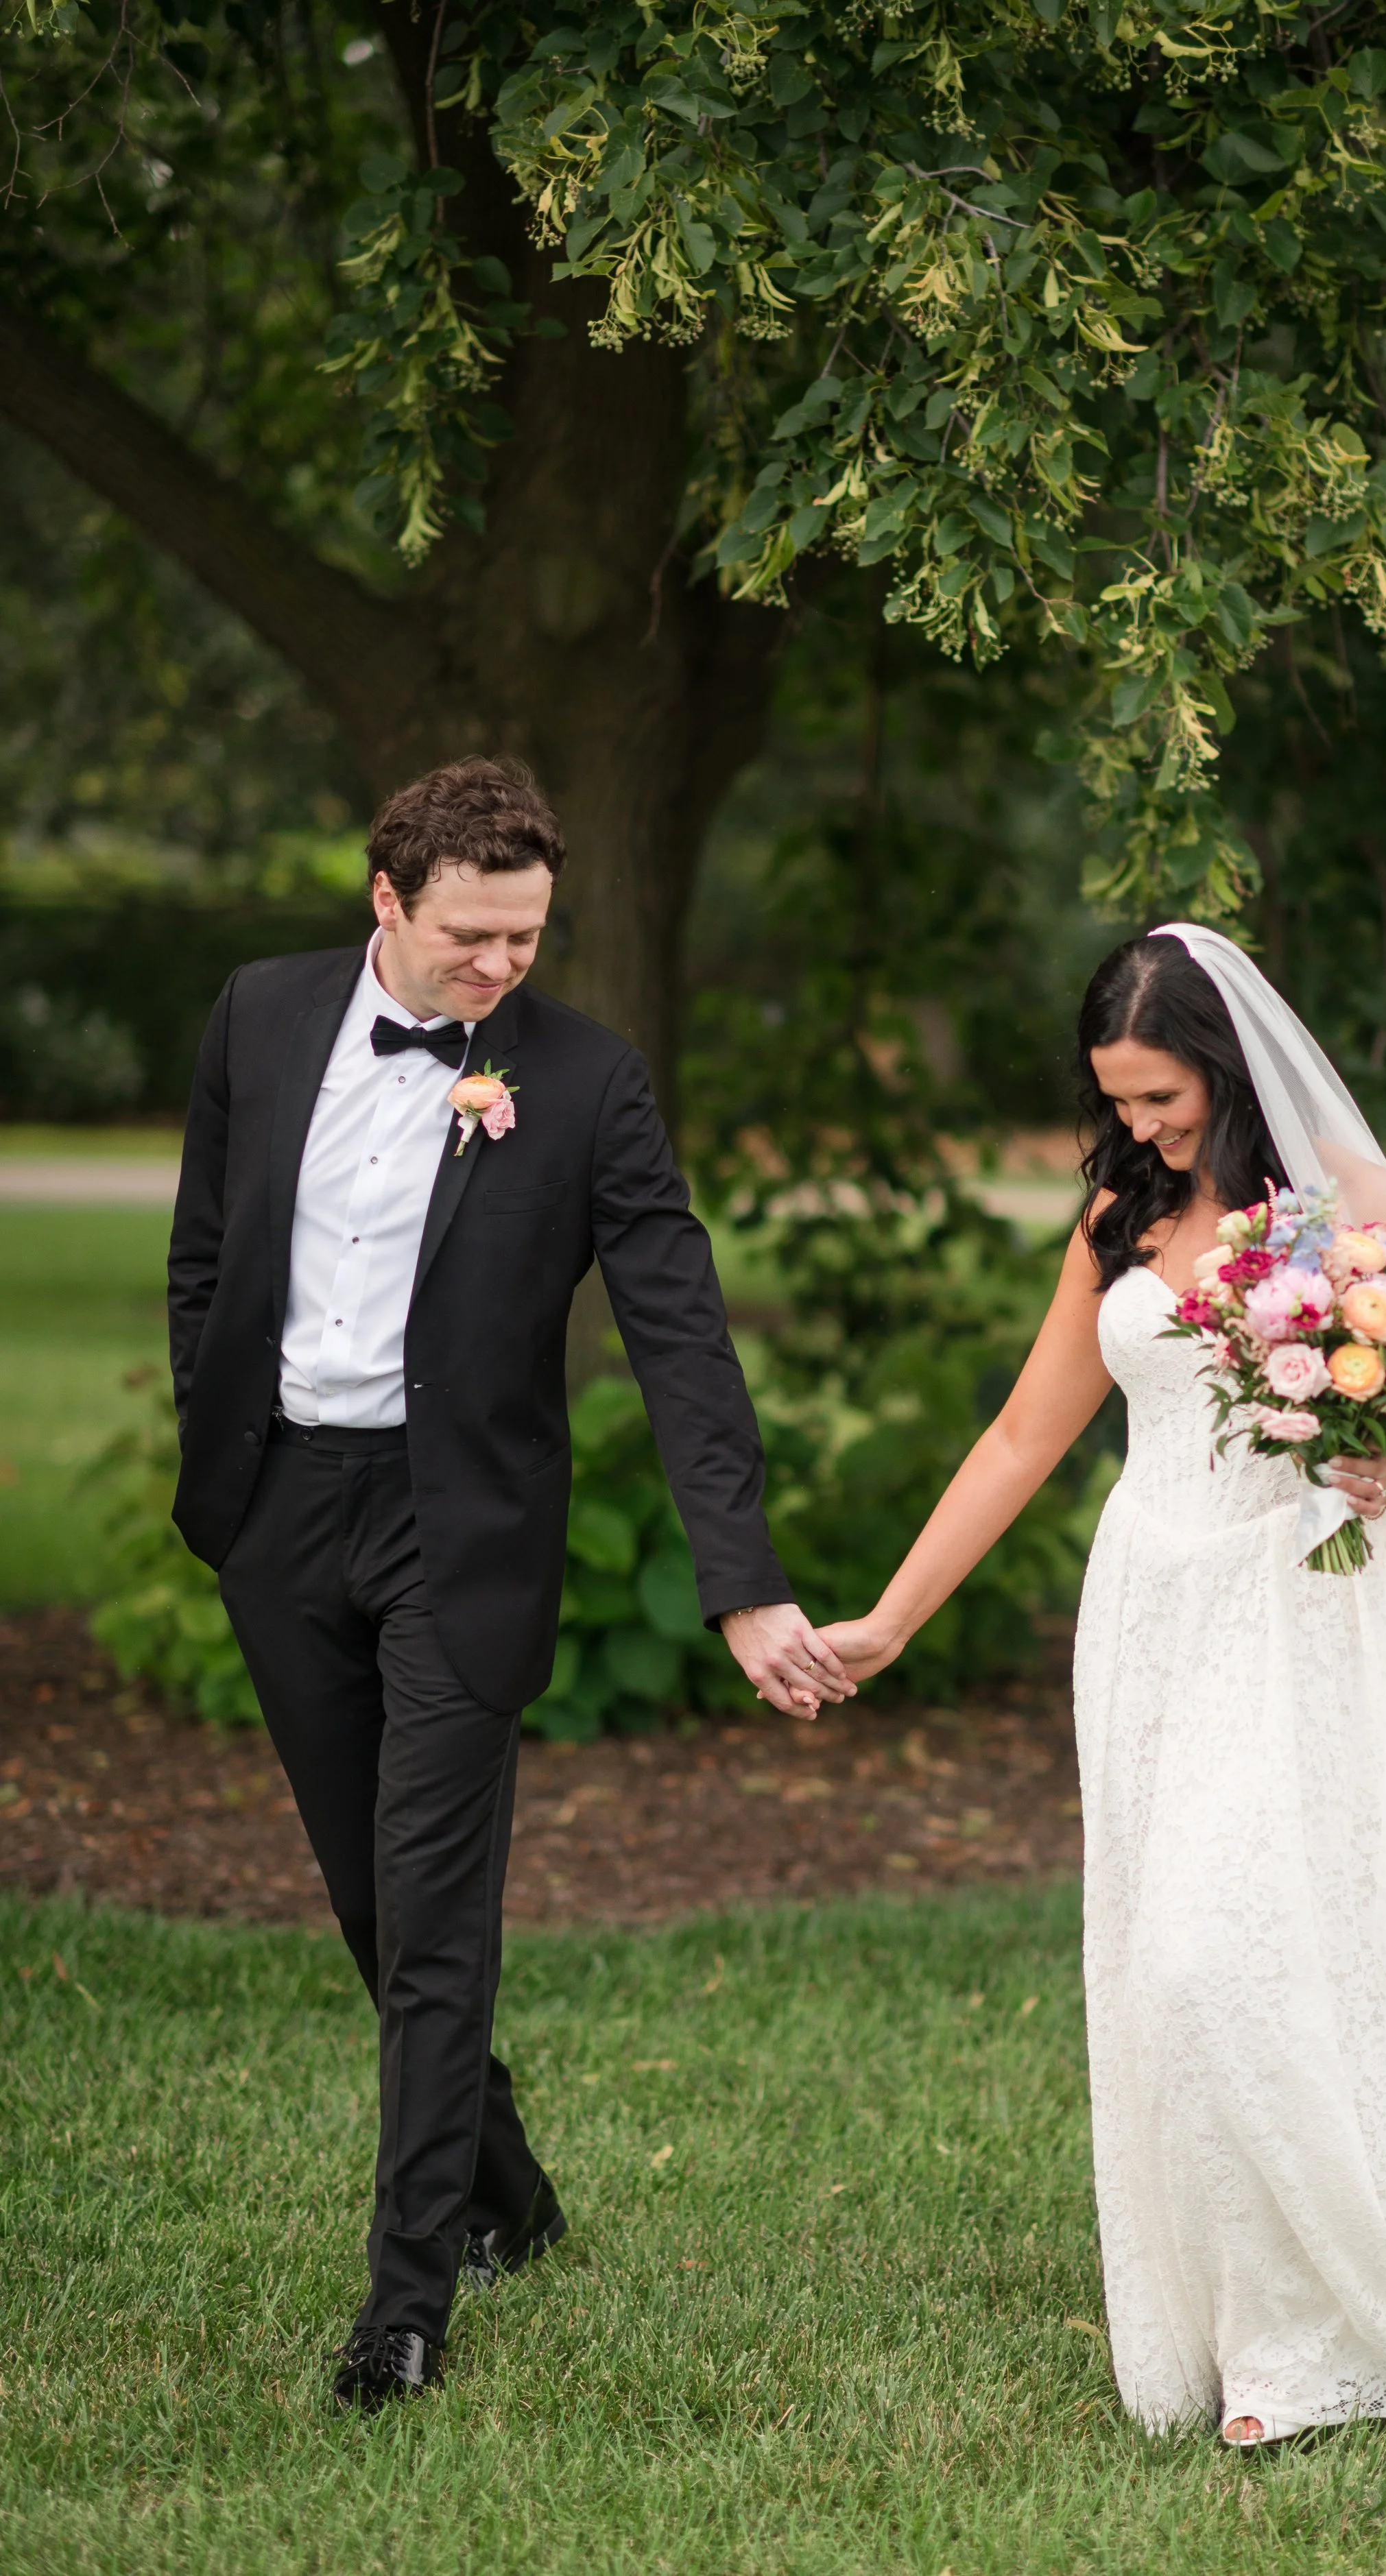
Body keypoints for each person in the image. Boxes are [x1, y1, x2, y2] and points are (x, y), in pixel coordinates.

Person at [819, 924, 1386, 2473]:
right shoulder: (1116, 1214)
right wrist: (894, 1618)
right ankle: (1268, 2314)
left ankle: (1334, 2337)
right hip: (1150, 1617)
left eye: (1162, 1095)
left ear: (1224, 1071)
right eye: (1118, 1097)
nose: (1143, 1124)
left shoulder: (1338, 1218)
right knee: (1184, 1962)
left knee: (1212, 1957)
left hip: (1300, 1610)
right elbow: (1028, 1433)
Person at [167, 757, 852, 2414]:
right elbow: (205, 1249)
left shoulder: (590, 1084)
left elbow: (681, 1336)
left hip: (452, 1535)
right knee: (368, 1906)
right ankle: (517, 2194)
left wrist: (741, 1583)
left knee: (435, 1919)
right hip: (276, 1511)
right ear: (386, 901)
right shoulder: (260, 1019)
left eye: (526, 937)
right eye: (472, 935)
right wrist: (218, 1433)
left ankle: (408, 2304)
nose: (499, 968)